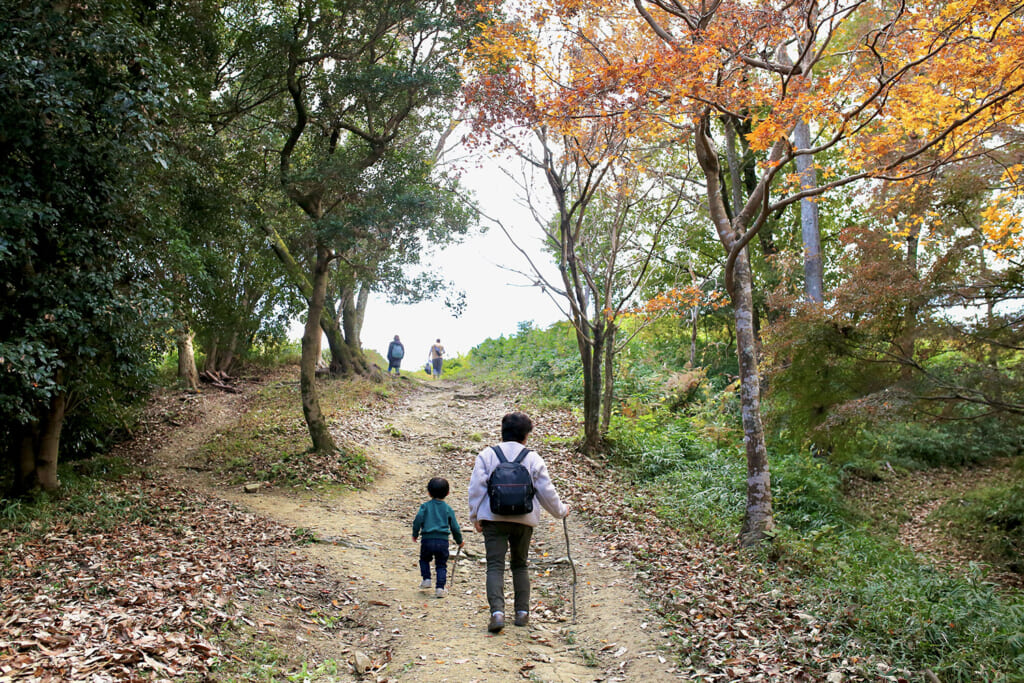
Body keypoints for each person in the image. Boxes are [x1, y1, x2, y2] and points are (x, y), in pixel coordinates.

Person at [467, 412, 569, 633]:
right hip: (524, 520)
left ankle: (497, 613)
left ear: (502, 432)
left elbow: (476, 489)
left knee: (494, 565)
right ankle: (522, 613)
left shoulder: (487, 455)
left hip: (493, 519)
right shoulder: (532, 458)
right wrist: (561, 512)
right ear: (526, 436)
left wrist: (475, 516)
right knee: (520, 565)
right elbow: (546, 492)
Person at [413, 477, 464, 598]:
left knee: (424, 560)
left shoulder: (425, 507)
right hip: (442, 542)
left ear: (429, 492)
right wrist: (459, 541)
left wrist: (415, 534)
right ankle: (440, 588)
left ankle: (426, 579)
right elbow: (455, 527)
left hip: (427, 540)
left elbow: (417, 520)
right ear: (447, 493)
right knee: (441, 565)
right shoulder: (448, 509)